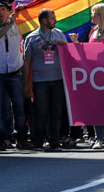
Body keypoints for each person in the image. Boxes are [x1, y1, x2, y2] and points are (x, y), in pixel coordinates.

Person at [72, 3, 104, 149]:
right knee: (96, 107)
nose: (91, 16)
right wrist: (76, 42)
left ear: (102, 15)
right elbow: (86, 51)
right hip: (94, 75)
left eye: (94, 13)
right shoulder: (92, 31)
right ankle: (98, 138)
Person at [0, 0, 30, 150]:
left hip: (15, 72)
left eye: (3, 9)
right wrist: (9, 24)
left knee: (18, 107)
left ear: (9, 11)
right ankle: (1, 138)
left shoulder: (18, 25)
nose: (0, 12)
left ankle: (21, 137)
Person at [23, 8, 67, 151]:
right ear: (44, 21)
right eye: (52, 18)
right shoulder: (31, 38)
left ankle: (54, 141)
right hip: (40, 80)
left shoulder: (59, 34)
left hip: (58, 79)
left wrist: (64, 46)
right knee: (41, 112)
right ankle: (38, 141)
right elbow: (27, 62)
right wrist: (26, 85)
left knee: (56, 112)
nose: (55, 20)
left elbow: (69, 55)